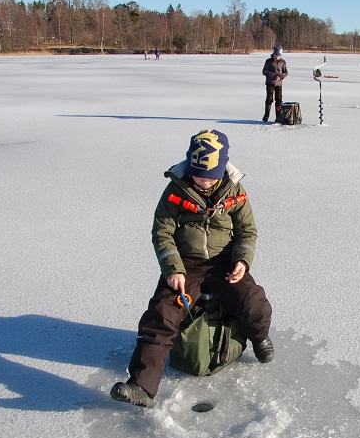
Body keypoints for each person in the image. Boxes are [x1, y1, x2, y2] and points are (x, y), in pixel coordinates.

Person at [111, 129, 274, 408]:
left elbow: (247, 231)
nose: (204, 181)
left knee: (253, 301)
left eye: (211, 176)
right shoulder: (176, 189)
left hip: (224, 262)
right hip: (186, 266)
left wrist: (241, 261)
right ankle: (142, 386)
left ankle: (258, 337)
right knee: (161, 314)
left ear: (223, 168)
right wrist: (173, 269)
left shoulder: (234, 189)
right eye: (199, 174)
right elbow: (162, 232)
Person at [262, 45, 288, 122]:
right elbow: (264, 71)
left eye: (279, 55)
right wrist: (274, 76)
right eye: (276, 55)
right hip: (270, 83)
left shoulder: (283, 62)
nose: (277, 57)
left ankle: (278, 117)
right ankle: (266, 115)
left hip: (279, 84)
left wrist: (280, 77)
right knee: (269, 99)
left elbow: (285, 72)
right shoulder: (268, 61)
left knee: (279, 100)